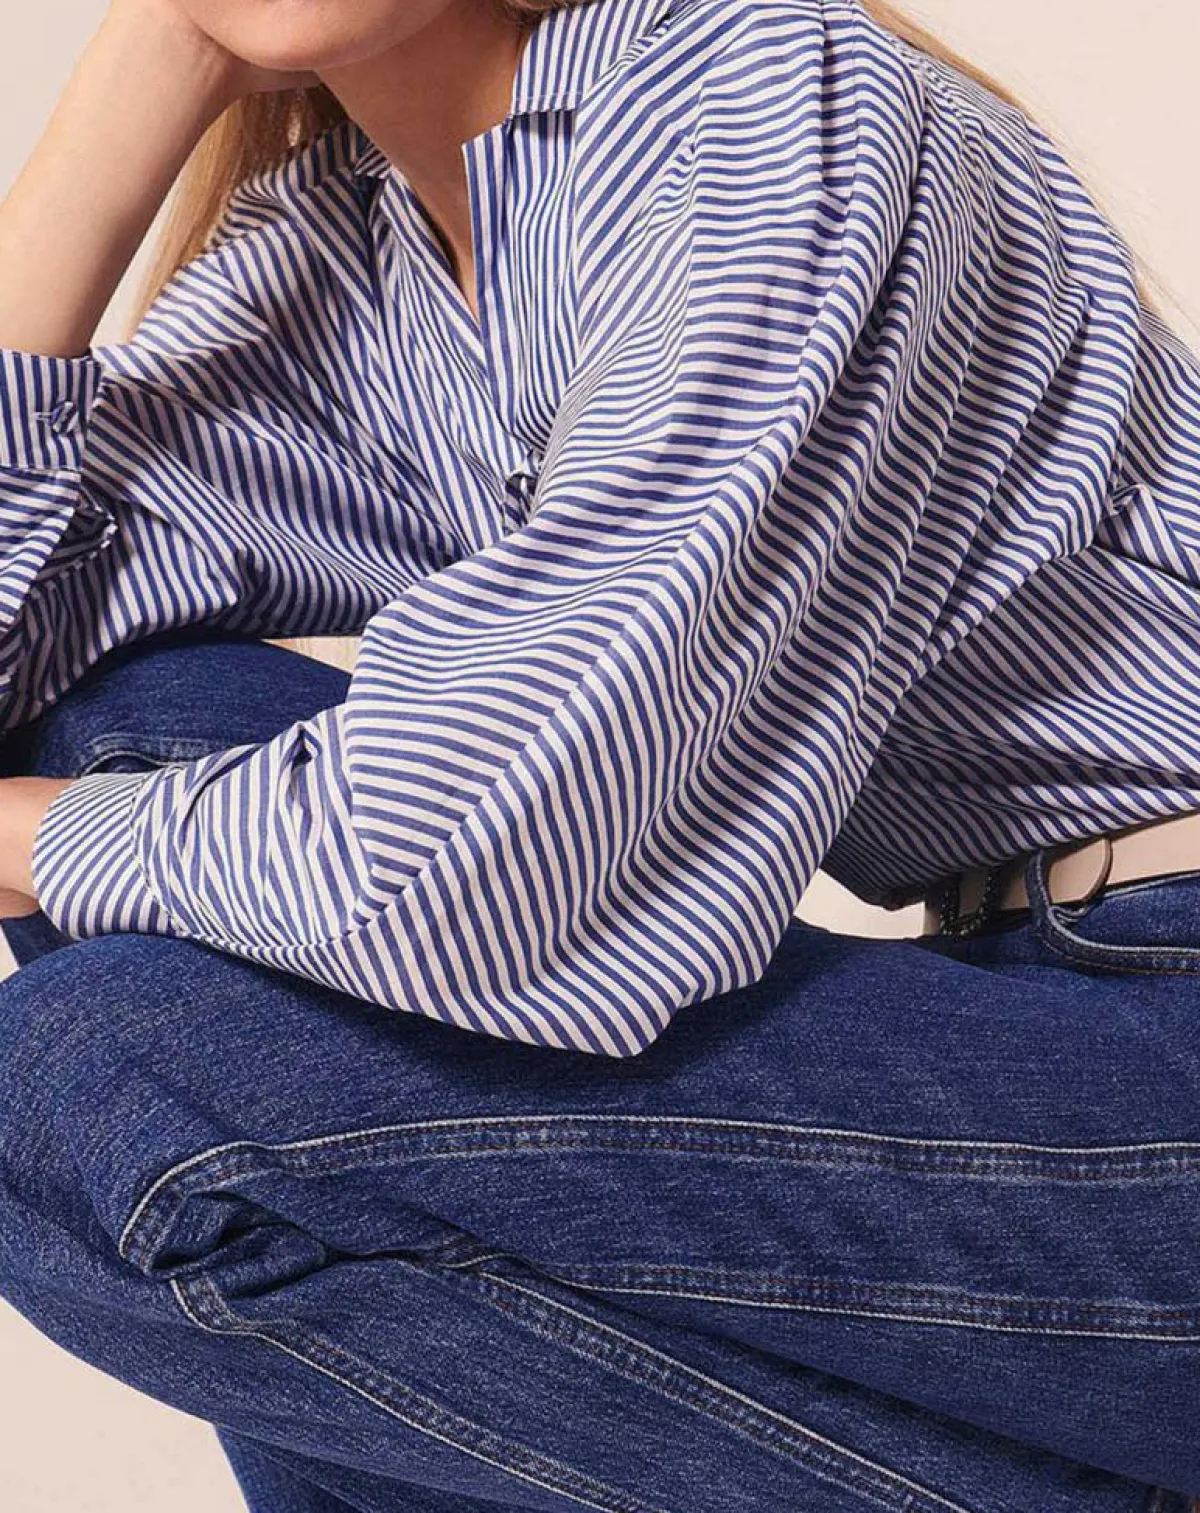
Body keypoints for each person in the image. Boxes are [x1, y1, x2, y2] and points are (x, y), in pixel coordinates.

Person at [0, 0, 1198, 1507]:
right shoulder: (351, 252)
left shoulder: (767, 102)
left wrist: (31, 836)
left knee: (102, 1074)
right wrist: (135, 85)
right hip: (1028, 1001)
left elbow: (465, 859)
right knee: (125, 725)